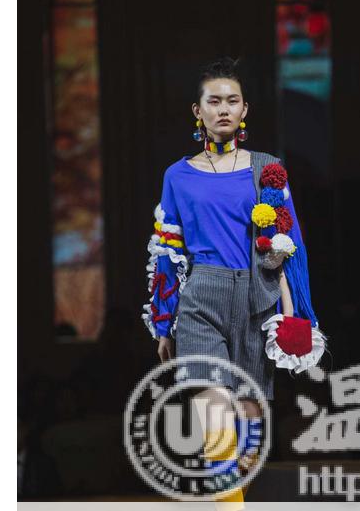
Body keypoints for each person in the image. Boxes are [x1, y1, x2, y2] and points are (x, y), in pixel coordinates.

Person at [140, 57, 326, 506]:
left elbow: (289, 246)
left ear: (245, 109)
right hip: (200, 299)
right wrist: (164, 324)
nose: (223, 109)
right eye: (214, 101)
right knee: (215, 416)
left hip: (256, 300)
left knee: (245, 439)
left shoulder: (268, 170)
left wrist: (295, 314)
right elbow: (167, 249)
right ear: (197, 110)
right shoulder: (177, 176)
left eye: (232, 101)